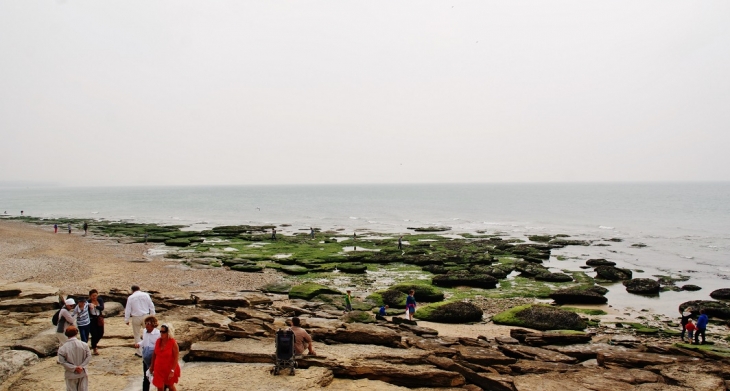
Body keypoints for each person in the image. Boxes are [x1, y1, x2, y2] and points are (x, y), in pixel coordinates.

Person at [125, 285, 156, 356]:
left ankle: (140, 352)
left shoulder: (131, 297)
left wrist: (126, 319)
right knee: (149, 332)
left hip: (136, 317)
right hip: (145, 316)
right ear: (139, 289)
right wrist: (152, 315)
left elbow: (128, 309)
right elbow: (151, 305)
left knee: (137, 335)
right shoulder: (145, 295)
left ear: (132, 290)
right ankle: (150, 349)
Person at [57, 326, 91, 391]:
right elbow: (88, 356)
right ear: (76, 333)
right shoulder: (84, 345)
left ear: (66, 334)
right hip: (82, 372)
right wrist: (81, 366)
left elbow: (62, 362)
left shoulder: (62, 348)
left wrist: (74, 368)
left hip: (70, 374)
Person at [149, 323, 181, 391]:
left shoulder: (173, 343)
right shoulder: (158, 341)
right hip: (158, 367)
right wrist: (152, 366)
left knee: (170, 386)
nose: (161, 333)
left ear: (168, 332)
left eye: (163, 332)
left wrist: (172, 371)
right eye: (161, 331)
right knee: (159, 386)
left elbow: (176, 357)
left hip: (169, 368)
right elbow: (154, 354)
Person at [135, 316, 161, 391]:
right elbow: (144, 341)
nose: (146, 325)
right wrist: (139, 344)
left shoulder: (158, 333)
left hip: (154, 358)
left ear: (153, 324)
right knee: (146, 376)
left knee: (157, 376)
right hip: (146, 357)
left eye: (148, 323)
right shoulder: (144, 331)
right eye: (145, 323)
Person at [88, 289, 105, 355]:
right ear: (90, 296)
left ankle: (94, 344)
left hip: (99, 318)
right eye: (93, 296)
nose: (94, 297)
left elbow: (102, 308)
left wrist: (95, 306)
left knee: (101, 333)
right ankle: (94, 347)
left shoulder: (99, 300)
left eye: (95, 295)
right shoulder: (88, 302)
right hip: (92, 319)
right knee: (94, 334)